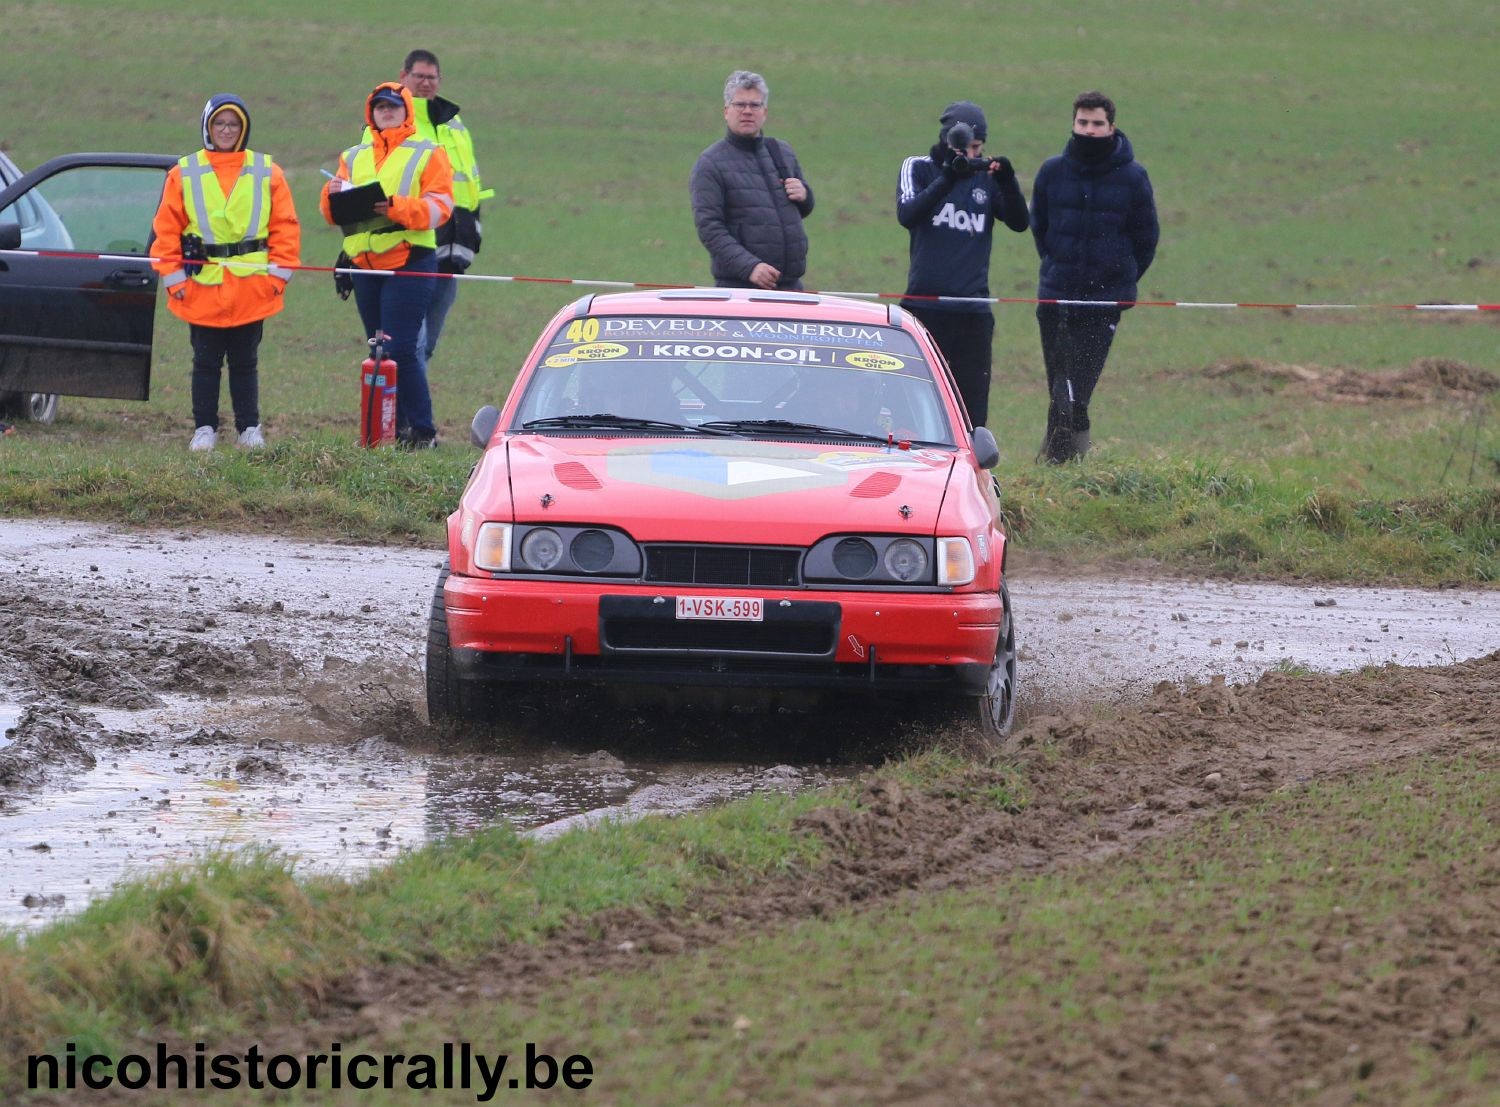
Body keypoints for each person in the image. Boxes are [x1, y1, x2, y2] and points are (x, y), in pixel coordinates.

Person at [150, 94, 301, 451]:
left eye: (233, 124)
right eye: (220, 123)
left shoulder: (268, 171)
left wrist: (277, 280)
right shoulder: (183, 173)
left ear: (243, 129)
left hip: (252, 288)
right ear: (208, 128)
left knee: (245, 362)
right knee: (205, 362)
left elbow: (286, 229)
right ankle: (204, 428)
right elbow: (165, 232)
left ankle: (249, 428)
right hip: (202, 285)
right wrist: (175, 282)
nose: (227, 130)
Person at [322, 83, 454, 448]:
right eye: (380, 107)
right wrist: (331, 196)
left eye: (393, 106)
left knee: (400, 348)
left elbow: (440, 207)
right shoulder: (353, 155)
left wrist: (395, 207)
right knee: (377, 350)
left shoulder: (429, 153)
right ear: (371, 113)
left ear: (406, 110)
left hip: (409, 260)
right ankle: (386, 431)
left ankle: (423, 432)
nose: (386, 112)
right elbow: (332, 213)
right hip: (364, 265)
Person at [1030, 90, 1158, 462]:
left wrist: (1121, 278)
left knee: (1077, 395)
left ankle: (1061, 465)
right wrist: (1057, 266)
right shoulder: (1052, 171)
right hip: (1055, 297)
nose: (1088, 130)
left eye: (1096, 123)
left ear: (1111, 127)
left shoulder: (1134, 177)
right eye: (1082, 122)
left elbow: (1146, 237)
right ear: (1073, 124)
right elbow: (1041, 226)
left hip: (1103, 303)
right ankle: (1062, 467)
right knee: (1060, 390)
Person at [897, 100, 1029, 427]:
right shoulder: (918, 167)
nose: (972, 155)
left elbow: (1019, 222)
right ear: (948, 141)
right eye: (966, 147)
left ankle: (976, 475)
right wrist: (948, 178)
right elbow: (908, 214)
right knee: (917, 404)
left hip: (973, 311)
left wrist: (1009, 180)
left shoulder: (985, 177)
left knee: (972, 410)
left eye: (978, 147)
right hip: (925, 307)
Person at [382, 50, 492, 376]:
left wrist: (473, 230)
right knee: (409, 345)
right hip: (411, 246)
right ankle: (404, 421)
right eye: (419, 76)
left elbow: (468, 182)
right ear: (403, 77)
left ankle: (407, 417)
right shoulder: (392, 119)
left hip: (453, 248)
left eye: (432, 77)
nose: (426, 83)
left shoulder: (453, 123)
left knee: (426, 346)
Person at [689, 70, 814, 291]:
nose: (747, 111)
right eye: (740, 105)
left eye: (755, 105)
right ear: (726, 111)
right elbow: (710, 228)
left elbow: (799, 211)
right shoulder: (710, 163)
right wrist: (750, 267)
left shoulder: (782, 151)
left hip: (792, 287)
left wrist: (805, 195)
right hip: (740, 290)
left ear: (764, 112)